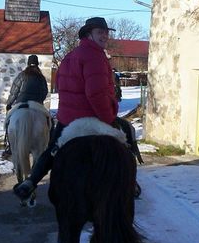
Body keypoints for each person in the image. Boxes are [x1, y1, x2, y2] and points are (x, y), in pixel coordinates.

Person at [14, 16, 123, 201]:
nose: (104, 36)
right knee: (122, 143)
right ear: (89, 34)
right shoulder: (95, 56)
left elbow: (61, 86)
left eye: (106, 32)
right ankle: (126, 187)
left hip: (67, 118)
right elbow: (96, 94)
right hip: (92, 117)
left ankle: (31, 181)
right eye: (100, 32)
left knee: (52, 149)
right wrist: (108, 119)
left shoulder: (69, 56)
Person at [3, 54, 48, 157]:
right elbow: (45, 92)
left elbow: (14, 91)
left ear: (28, 64)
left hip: (21, 103)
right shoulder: (41, 78)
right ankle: (49, 144)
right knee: (49, 123)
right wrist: (39, 101)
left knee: (8, 122)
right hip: (37, 104)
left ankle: (10, 147)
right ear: (37, 64)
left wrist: (9, 103)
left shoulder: (22, 75)